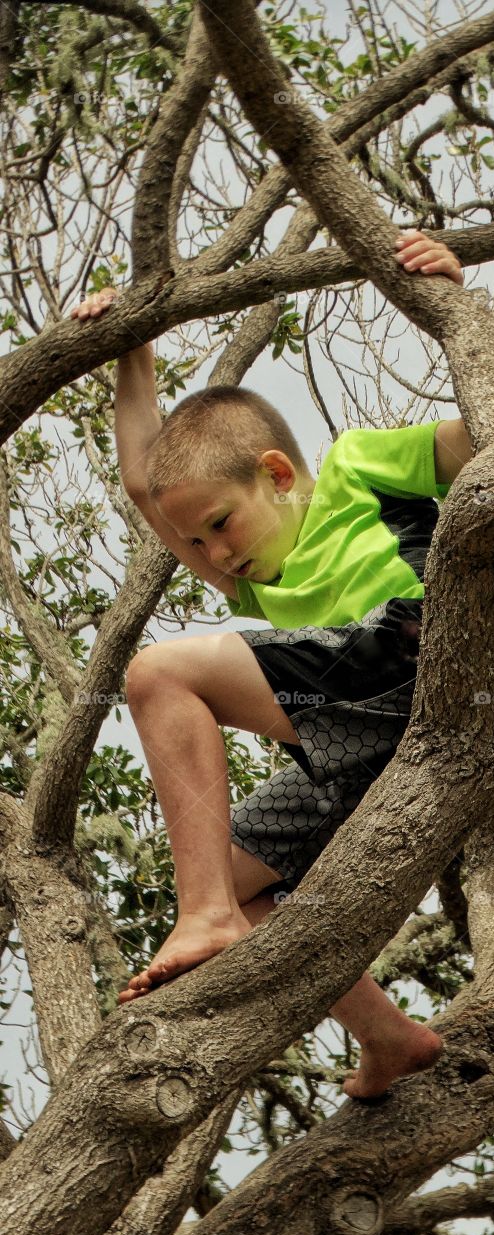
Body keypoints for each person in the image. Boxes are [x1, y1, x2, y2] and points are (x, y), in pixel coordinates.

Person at [71, 229, 473, 1097]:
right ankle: (390, 1036)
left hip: (409, 661)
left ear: (278, 474)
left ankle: (200, 914)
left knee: (158, 673)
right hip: (353, 747)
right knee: (243, 884)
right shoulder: (256, 583)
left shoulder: (363, 469)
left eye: (220, 524)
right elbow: (148, 484)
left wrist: (459, 302)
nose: (211, 556)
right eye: (194, 542)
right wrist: (130, 352)